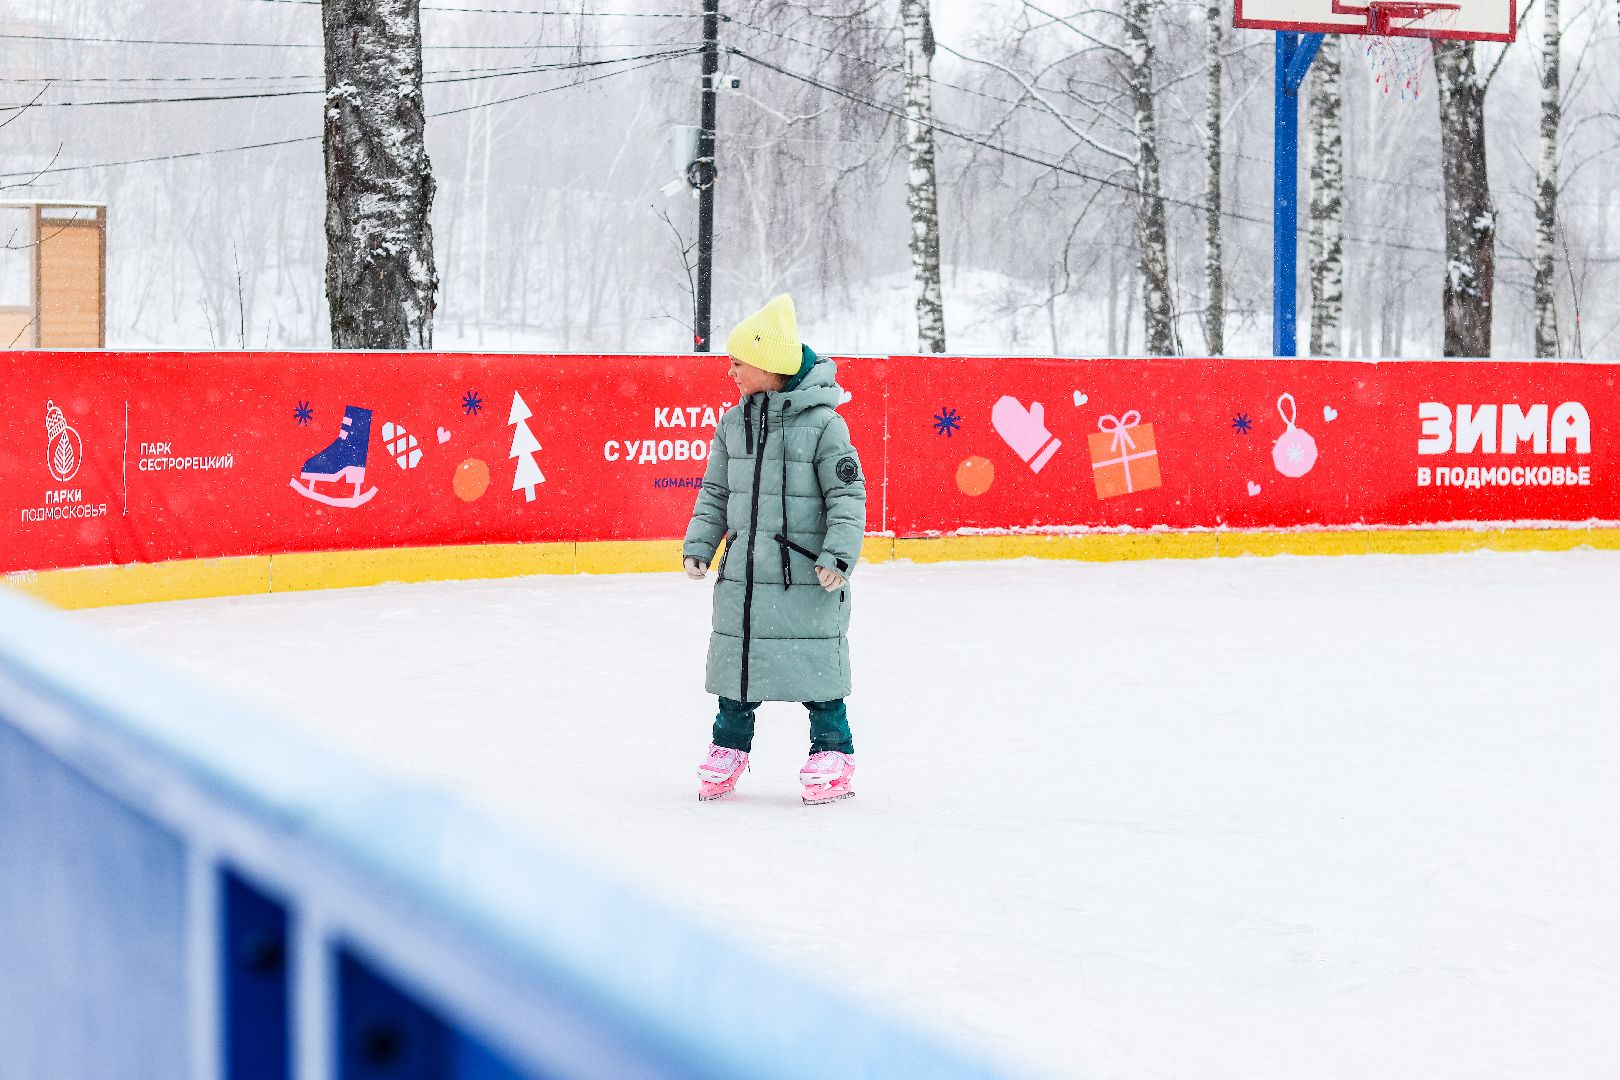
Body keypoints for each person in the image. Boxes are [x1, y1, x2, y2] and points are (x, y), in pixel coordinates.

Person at [682, 294, 867, 805]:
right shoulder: (732, 424)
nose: (731, 372)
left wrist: (838, 556)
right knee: (738, 666)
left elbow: (847, 495)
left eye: (739, 362)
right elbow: (716, 492)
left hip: (805, 574)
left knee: (816, 666)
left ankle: (833, 749)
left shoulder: (826, 425)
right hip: (744, 571)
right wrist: (701, 543)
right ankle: (727, 747)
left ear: (770, 365)